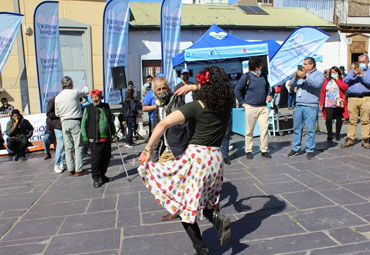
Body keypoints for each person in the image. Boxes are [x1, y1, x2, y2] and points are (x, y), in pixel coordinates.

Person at [138, 66, 233, 255]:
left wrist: (148, 148)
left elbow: (163, 123)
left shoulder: (196, 107)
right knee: (204, 199)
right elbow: (217, 88)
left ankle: (201, 249)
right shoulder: (227, 104)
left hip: (197, 158)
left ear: (203, 85)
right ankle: (214, 216)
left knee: (183, 207)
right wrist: (193, 88)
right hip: (215, 159)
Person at [234, 57, 272, 160]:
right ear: (256, 67)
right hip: (251, 107)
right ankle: (249, 150)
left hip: (263, 107)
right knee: (249, 130)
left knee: (264, 129)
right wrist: (243, 103)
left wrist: (269, 94)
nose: (262, 66)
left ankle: (264, 150)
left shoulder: (263, 75)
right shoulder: (246, 77)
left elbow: (268, 87)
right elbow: (237, 90)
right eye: (261, 65)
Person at [287, 57, 325, 159]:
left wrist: (305, 77)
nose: (303, 66)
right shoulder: (300, 74)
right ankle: (296, 147)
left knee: (310, 129)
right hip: (299, 104)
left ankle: (309, 149)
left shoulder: (319, 75)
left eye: (305, 64)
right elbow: (290, 85)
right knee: (297, 128)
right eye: (303, 64)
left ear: (311, 65)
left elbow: (316, 85)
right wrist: (295, 78)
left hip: (311, 105)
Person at [55, 76, 89, 176]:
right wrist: (86, 86)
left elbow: (57, 113)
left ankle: (70, 168)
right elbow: (86, 91)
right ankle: (78, 169)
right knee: (78, 146)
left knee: (68, 147)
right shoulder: (74, 92)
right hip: (75, 120)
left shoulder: (58, 97)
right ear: (70, 83)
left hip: (64, 122)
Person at [81, 89, 116, 188]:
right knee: (96, 160)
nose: (95, 99)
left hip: (107, 139)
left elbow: (111, 121)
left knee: (106, 159)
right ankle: (96, 178)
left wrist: (114, 133)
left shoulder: (106, 107)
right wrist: (85, 137)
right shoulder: (88, 108)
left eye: (97, 97)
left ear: (101, 97)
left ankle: (102, 175)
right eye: (93, 97)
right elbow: (83, 124)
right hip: (95, 140)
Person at [342, 55, 370, 149]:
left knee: (366, 119)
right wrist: (353, 74)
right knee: (352, 120)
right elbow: (344, 81)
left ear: (367, 63)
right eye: (360, 62)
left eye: (363, 62)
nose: (361, 64)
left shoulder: (368, 72)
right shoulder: (352, 71)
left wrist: (363, 77)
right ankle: (350, 138)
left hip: (365, 97)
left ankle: (365, 139)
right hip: (352, 98)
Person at [320, 66, 348, 141]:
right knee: (328, 119)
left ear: (338, 73)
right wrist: (321, 102)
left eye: (335, 72)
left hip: (338, 102)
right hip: (328, 102)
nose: (334, 74)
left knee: (338, 118)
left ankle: (337, 134)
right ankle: (329, 133)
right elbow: (323, 92)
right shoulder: (327, 81)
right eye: (332, 72)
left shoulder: (341, 80)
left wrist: (338, 80)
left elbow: (345, 87)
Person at [47, 96, 65, 173]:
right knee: (60, 144)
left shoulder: (64, 99)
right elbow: (49, 113)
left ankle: (62, 163)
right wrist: (59, 115)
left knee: (64, 145)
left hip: (64, 123)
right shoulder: (53, 100)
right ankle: (57, 164)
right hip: (58, 124)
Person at [142, 75, 156, 141]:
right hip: (153, 114)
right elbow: (143, 93)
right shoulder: (146, 86)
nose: (149, 81)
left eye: (150, 80)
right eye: (148, 80)